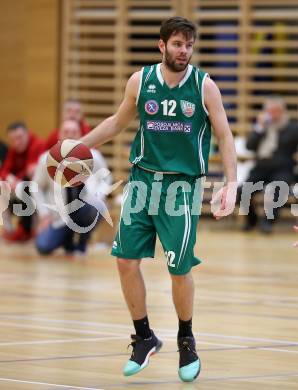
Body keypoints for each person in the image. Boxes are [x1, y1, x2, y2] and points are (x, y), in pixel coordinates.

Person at [81, 17, 237, 382]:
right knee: (125, 262)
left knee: (179, 270)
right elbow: (118, 122)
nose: (184, 51)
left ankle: (186, 339)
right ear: (162, 45)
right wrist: (79, 146)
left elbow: (226, 136)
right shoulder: (140, 81)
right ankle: (144, 336)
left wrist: (231, 183)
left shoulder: (203, 86)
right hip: (141, 182)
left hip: (181, 188)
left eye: (189, 45)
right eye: (178, 44)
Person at [33, 119, 111, 255]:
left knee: (96, 207)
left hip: (85, 209)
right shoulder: (46, 159)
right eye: (66, 131)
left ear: (81, 134)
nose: (70, 135)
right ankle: (67, 239)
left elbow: (106, 179)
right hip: (58, 215)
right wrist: (44, 215)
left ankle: (81, 243)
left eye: (74, 132)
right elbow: (36, 187)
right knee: (43, 246)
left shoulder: (94, 156)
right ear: (59, 135)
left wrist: (98, 197)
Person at [241, 97, 298, 233]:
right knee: (243, 191)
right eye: (270, 112)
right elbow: (249, 146)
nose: (273, 115)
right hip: (261, 168)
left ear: (282, 112)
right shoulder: (261, 128)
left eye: (276, 111)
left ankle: (267, 222)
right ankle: (251, 220)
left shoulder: (292, 128)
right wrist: (260, 128)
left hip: (283, 169)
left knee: (280, 187)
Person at [0, 121, 45, 241]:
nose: (17, 142)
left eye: (19, 138)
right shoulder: (14, 149)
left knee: (25, 186)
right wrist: (9, 178)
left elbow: (30, 172)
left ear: (27, 134)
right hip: (20, 187)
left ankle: (31, 230)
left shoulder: (37, 144)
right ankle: (8, 230)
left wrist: (15, 179)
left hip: (38, 191)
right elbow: (4, 170)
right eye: (13, 139)